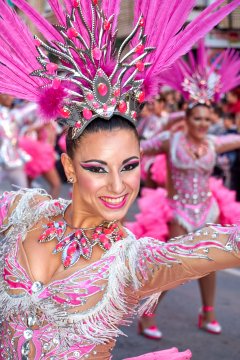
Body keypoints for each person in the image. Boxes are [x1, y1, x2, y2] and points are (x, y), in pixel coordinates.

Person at [0, 0, 239, 359]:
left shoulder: (132, 261)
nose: (118, 185)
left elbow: (228, 244)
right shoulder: (20, 212)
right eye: (97, 168)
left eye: (128, 166)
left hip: (195, 209)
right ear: (68, 167)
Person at [128, 40, 240, 339]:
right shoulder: (171, 140)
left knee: (211, 262)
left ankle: (208, 312)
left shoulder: (215, 143)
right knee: (175, 265)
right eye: (197, 118)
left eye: (207, 118)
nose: (203, 123)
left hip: (208, 207)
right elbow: (138, 149)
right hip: (177, 210)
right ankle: (148, 314)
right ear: (187, 119)